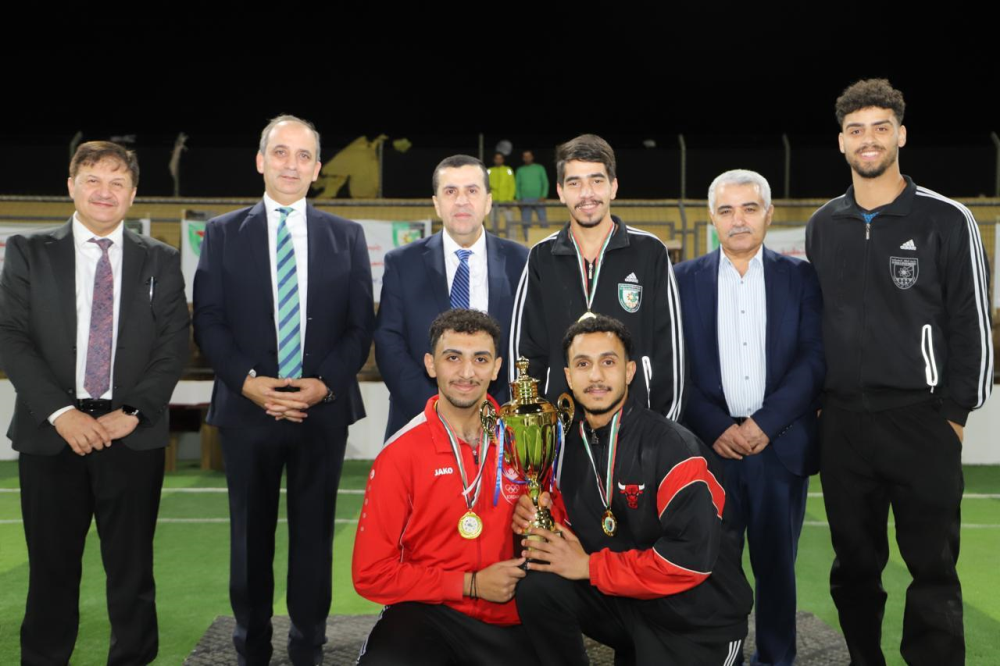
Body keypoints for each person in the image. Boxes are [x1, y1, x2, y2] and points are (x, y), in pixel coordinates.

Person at [806, 78, 993, 665]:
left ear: (901, 135)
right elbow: (814, 323)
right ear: (842, 142)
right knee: (854, 568)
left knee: (933, 569)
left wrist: (954, 416)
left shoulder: (947, 218)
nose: (869, 139)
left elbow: (972, 324)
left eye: (880, 128)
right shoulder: (823, 224)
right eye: (856, 130)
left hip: (922, 421)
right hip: (843, 426)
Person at [193, 114, 375, 665]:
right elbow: (209, 320)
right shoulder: (222, 233)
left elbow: (359, 326)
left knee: (314, 539)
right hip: (248, 411)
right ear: (260, 160)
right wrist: (249, 384)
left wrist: (324, 384)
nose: (291, 164)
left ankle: (308, 646)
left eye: (303, 155)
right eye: (280, 152)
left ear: (317, 169)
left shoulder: (347, 236)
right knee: (249, 541)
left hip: (321, 411)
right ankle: (250, 647)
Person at [0, 141, 190, 665]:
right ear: (71, 186)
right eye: (92, 180)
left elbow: (173, 345)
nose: (104, 192)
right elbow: (11, 336)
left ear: (132, 194)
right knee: (51, 572)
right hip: (50, 435)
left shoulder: (161, 259)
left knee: (132, 573)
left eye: (116, 183)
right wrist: (62, 414)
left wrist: (132, 413)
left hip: (131, 436)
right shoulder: (28, 252)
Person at [511, 315, 752, 664]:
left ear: (629, 371)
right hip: (630, 605)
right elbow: (583, 522)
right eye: (583, 364)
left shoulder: (675, 450)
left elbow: (689, 561)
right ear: (569, 377)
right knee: (538, 588)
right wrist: (544, 517)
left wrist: (591, 567)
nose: (596, 376)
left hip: (696, 623)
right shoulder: (567, 444)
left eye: (608, 362)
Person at [674, 169, 825, 666]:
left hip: (778, 447)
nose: (738, 220)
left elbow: (813, 359)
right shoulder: (681, 281)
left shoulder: (801, 277)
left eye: (749, 208)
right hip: (708, 449)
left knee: (776, 567)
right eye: (726, 210)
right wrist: (716, 426)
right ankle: (722, 656)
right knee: (712, 566)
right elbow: (675, 367)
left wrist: (765, 423)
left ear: (769, 214)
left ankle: (776, 659)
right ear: (712, 217)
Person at [354, 309, 533, 665]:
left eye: (480, 359)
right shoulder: (400, 454)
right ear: (430, 364)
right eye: (453, 358)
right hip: (428, 612)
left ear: (497, 368)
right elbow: (370, 573)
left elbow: (558, 534)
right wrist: (469, 584)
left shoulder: (524, 439)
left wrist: (542, 517)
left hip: (513, 613)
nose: (467, 373)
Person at [510, 133, 684, 421]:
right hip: (562, 430)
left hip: (637, 428)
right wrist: (536, 428)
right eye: (574, 183)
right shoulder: (541, 257)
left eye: (596, 181)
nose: (586, 194)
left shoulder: (650, 252)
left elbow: (670, 352)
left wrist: (663, 430)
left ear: (613, 187)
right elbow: (526, 352)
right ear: (560, 191)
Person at [374, 154, 527, 440]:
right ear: (436, 203)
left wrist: (495, 411)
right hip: (419, 421)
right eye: (450, 191)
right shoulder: (402, 263)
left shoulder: (523, 261)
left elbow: (528, 344)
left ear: (488, 201)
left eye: (472, 191)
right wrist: (438, 410)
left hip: (501, 426)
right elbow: (388, 342)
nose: (461, 201)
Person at [515, 149, 549, 238]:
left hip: (539, 198)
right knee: (526, 222)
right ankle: (527, 240)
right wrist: (518, 198)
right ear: (523, 158)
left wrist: (544, 195)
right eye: (525, 156)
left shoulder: (540, 168)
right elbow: (517, 185)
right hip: (525, 199)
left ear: (532, 157)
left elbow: (545, 183)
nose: (527, 158)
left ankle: (547, 241)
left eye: (529, 156)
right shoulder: (520, 170)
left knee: (543, 220)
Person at [487, 152, 516, 235]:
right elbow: (485, 186)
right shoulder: (489, 171)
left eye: (500, 158)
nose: (498, 160)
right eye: (497, 158)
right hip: (493, 203)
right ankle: (495, 240)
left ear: (503, 160)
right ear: (494, 160)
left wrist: (509, 200)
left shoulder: (508, 170)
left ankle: (512, 240)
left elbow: (512, 185)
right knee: (493, 223)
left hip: (506, 202)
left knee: (510, 222)